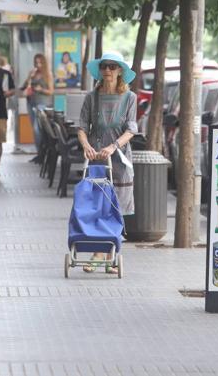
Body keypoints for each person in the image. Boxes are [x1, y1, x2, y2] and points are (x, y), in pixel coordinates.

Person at [77, 51, 138, 274]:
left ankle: (108, 255)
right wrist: (86, 146)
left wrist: (114, 146)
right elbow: (82, 127)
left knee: (116, 208)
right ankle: (100, 253)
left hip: (119, 159)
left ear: (120, 71)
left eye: (113, 67)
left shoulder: (129, 98)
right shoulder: (91, 97)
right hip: (96, 157)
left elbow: (131, 129)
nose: (108, 70)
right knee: (96, 204)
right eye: (104, 66)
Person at [21, 53, 54, 158]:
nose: (38, 65)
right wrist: (29, 78)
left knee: (38, 129)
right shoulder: (33, 73)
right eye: (36, 62)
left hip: (43, 104)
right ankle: (38, 153)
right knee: (34, 130)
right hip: (31, 103)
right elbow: (24, 86)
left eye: (40, 62)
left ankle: (42, 153)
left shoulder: (48, 74)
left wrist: (41, 89)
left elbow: (51, 91)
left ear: (44, 63)